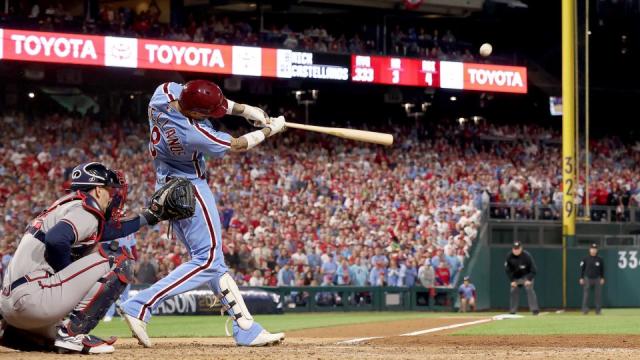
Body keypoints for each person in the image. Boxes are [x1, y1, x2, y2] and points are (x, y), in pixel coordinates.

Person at [119, 80, 286, 347]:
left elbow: (204, 99)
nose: (213, 114)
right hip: (189, 185)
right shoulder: (192, 133)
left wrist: (244, 110)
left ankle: (246, 327)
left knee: (213, 261)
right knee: (207, 260)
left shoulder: (161, 94)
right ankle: (140, 304)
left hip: (167, 181)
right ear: (195, 114)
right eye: (206, 113)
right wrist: (269, 130)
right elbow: (238, 144)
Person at [0, 162, 186, 354]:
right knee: (117, 258)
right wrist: (67, 274)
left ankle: (27, 336)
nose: (112, 196)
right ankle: (72, 333)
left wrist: (150, 216)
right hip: (33, 302)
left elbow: (110, 230)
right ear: (98, 190)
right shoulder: (84, 209)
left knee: (91, 253)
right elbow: (56, 240)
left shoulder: (66, 207)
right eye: (109, 190)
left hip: (12, 311)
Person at [103, 233, 138, 322]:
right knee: (111, 288)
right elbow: (106, 246)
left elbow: (133, 248)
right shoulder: (113, 230)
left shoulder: (131, 231)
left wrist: (135, 261)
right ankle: (109, 314)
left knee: (125, 290)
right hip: (115, 260)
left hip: (128, 260)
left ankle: (125, 314)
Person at [505, 241, 539, 315]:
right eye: (514, 249)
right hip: (516, 277)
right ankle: (513, 310)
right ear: (512, 249)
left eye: (517, 248)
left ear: (521, 248)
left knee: (529, 288)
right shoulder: (509, 256)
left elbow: (534, 270)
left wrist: (529, 279)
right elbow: (508, 270)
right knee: (513, 290)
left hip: (526, 276)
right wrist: (512, 280)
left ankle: (534, 309)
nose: (516, 250)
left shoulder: (527, 256)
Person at [580, 243, 605, 315]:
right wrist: (581, 278)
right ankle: (584, 310)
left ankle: (598, 310)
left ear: (597, 250)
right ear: (589, 250)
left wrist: (602, 278)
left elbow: (602, 269)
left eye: (595, 249)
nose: (593, 250)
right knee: (586, 295)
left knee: (598, 295)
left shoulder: (600, 259)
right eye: (592, 249)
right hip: (587, 278)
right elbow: (582, 269)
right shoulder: (585, 259)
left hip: (597, 278)